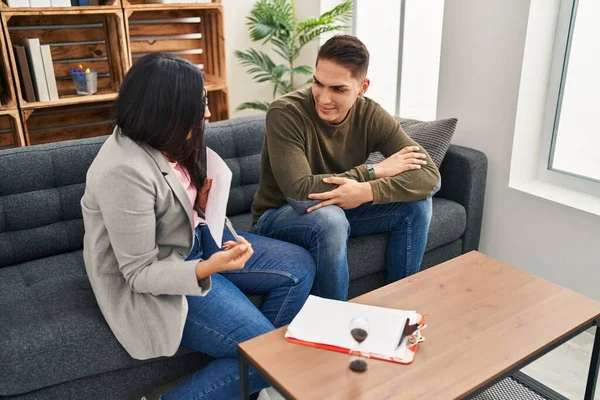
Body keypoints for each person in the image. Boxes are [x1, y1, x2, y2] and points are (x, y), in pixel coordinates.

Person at [81, 52, 315, 400]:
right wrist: (207, 267)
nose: (207, 112)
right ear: (167, 111)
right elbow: (139, 273)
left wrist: (201, 209)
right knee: (265, 356)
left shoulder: (168, 140)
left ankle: (248, 378)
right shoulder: (124, 171)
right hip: (158, 276)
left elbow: (171, 206)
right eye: (199, 104)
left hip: (192, 242)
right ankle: (253, 369)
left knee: (300, 266)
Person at [251, 35, 440, 301]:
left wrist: (366, 191)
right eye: (318, 83)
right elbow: (300, 190)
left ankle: (399, 305)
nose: (324, 98)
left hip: (339, 205)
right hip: (279, 216)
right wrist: (372, 172)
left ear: (362, 87)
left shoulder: (370, 115)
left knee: (417, 206)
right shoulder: (285, 113)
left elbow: (430, 178)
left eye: (338, 89)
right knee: (330, 218)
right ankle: (334, 321)